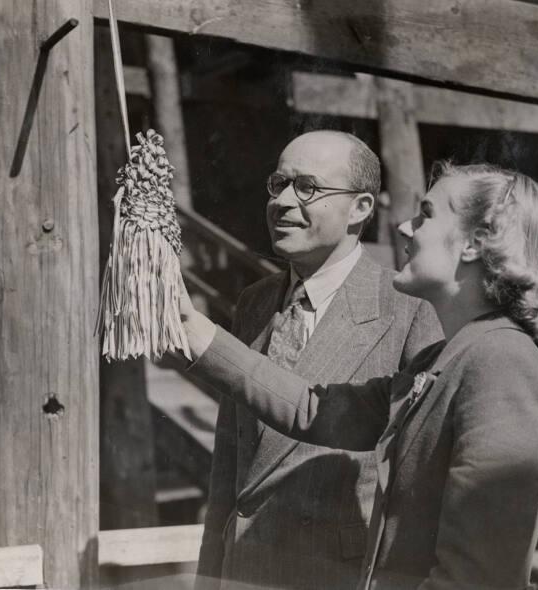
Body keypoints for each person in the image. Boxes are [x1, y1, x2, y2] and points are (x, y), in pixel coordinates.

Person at [182, 162, 538, 590]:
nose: (404, 228)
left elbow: (476, 579)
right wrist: (197, 333)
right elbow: (314, 407)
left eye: (426, 214)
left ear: (475, 243)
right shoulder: (448, 359)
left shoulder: (502, 364)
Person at [195, 130, 442, 590]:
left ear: (361, 208)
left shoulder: (408, 309)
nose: (283, 202)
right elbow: (228, 467)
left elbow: (420, 488)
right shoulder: (254, 301)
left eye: (307, 187)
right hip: (242, 571)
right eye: (278, 184)